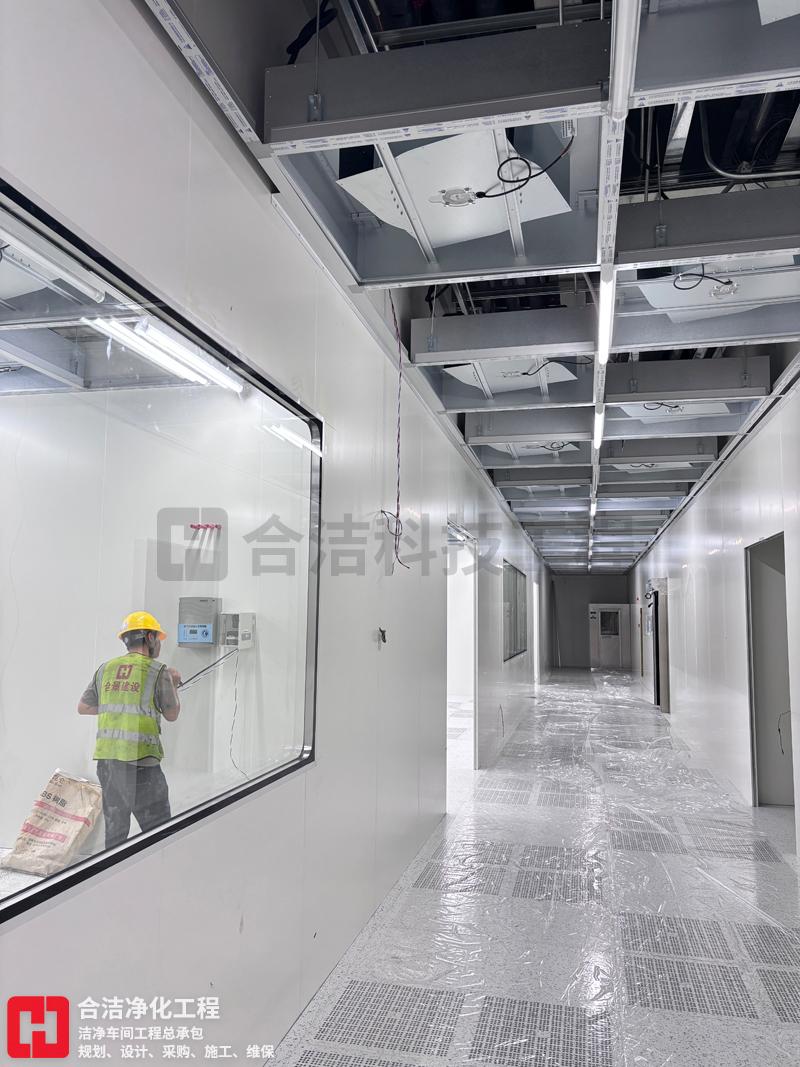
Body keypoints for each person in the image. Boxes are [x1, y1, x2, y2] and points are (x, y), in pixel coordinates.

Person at [78, 611, 182, 849]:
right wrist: (174, 684)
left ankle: (114, 872)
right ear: (149, 637)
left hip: (108, 763)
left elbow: (84, 707)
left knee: (115, 835)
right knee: (160, 835)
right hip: (141, 764)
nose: (159, 644)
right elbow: (172, 714)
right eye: (158, 638)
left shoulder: (105, 669)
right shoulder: (158, 671)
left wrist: (120, 703)